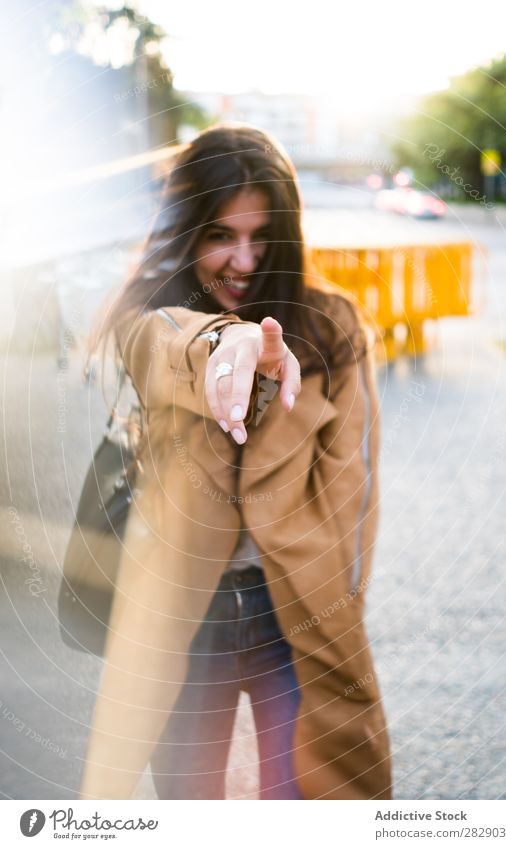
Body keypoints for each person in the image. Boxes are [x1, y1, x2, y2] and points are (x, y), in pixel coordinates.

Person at [80, 123, 392, 800]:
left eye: (261, 237)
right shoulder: (152, 319)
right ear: (186, 232)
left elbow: (355, 491)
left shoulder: (332, 327)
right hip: (186, 618)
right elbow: (173, 347)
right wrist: (231, 345)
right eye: (220, 234)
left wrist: (340, 610)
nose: (243, 261)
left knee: (302, 804)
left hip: (295, 620)